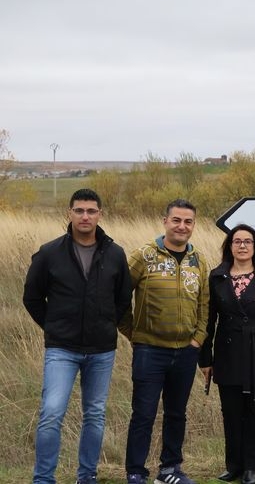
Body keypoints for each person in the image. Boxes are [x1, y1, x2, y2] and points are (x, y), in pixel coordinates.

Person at [23, 188, 132, 484]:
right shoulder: (50, 253)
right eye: (79, 210)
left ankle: (87, 477)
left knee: (94, 415)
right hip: (62, 349)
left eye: (91, 211)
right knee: (51, 413)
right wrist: (54, 327)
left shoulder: (115, 254)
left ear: (100, 214)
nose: (85, 216)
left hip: (101, 350)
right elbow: (32, 298)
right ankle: (43, 479)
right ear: (69, 213)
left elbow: (123, 299)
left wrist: (107, 324)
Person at [119, 199, 210, 484]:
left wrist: (198, 339)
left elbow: (205, 303)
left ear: (193, 225)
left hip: (186, 351)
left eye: (188, 221)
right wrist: (133, 333)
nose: (182, 226)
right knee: (143, 413)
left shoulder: (199, 259)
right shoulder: (144, 255)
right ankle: (136, 472)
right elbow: (118, 295)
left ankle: (169, 470)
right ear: (165, 222)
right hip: (149, 351)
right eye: (176, 220)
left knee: (176, 413)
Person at [199, 224, 255, 484]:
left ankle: (251, 468)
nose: (243, 246)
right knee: (231, 411)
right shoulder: (217, 277)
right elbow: (208, 320)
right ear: (230, 246)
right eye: (237, 241)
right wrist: (206, 358)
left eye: (248, 241)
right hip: (227, 353)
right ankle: (233, 466)